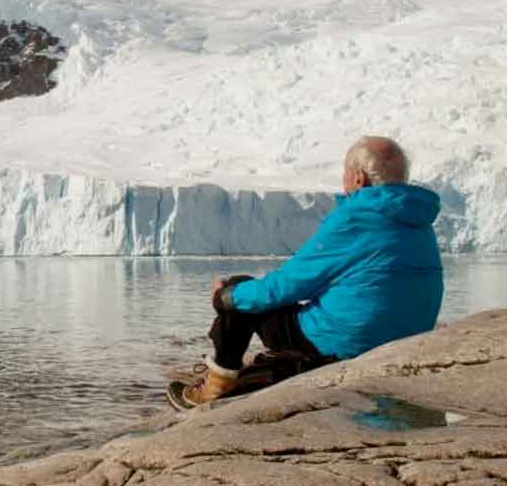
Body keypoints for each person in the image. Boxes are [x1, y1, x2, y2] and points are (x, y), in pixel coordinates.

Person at [172, 136, 444, 409]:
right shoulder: (418, 220)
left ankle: (214, 389)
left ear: (358, 178)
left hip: (344, 347)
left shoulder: (355, 218)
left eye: (346, 172)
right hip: (401, 345)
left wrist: (225, 297)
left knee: (240, 291)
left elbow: (287, 285)